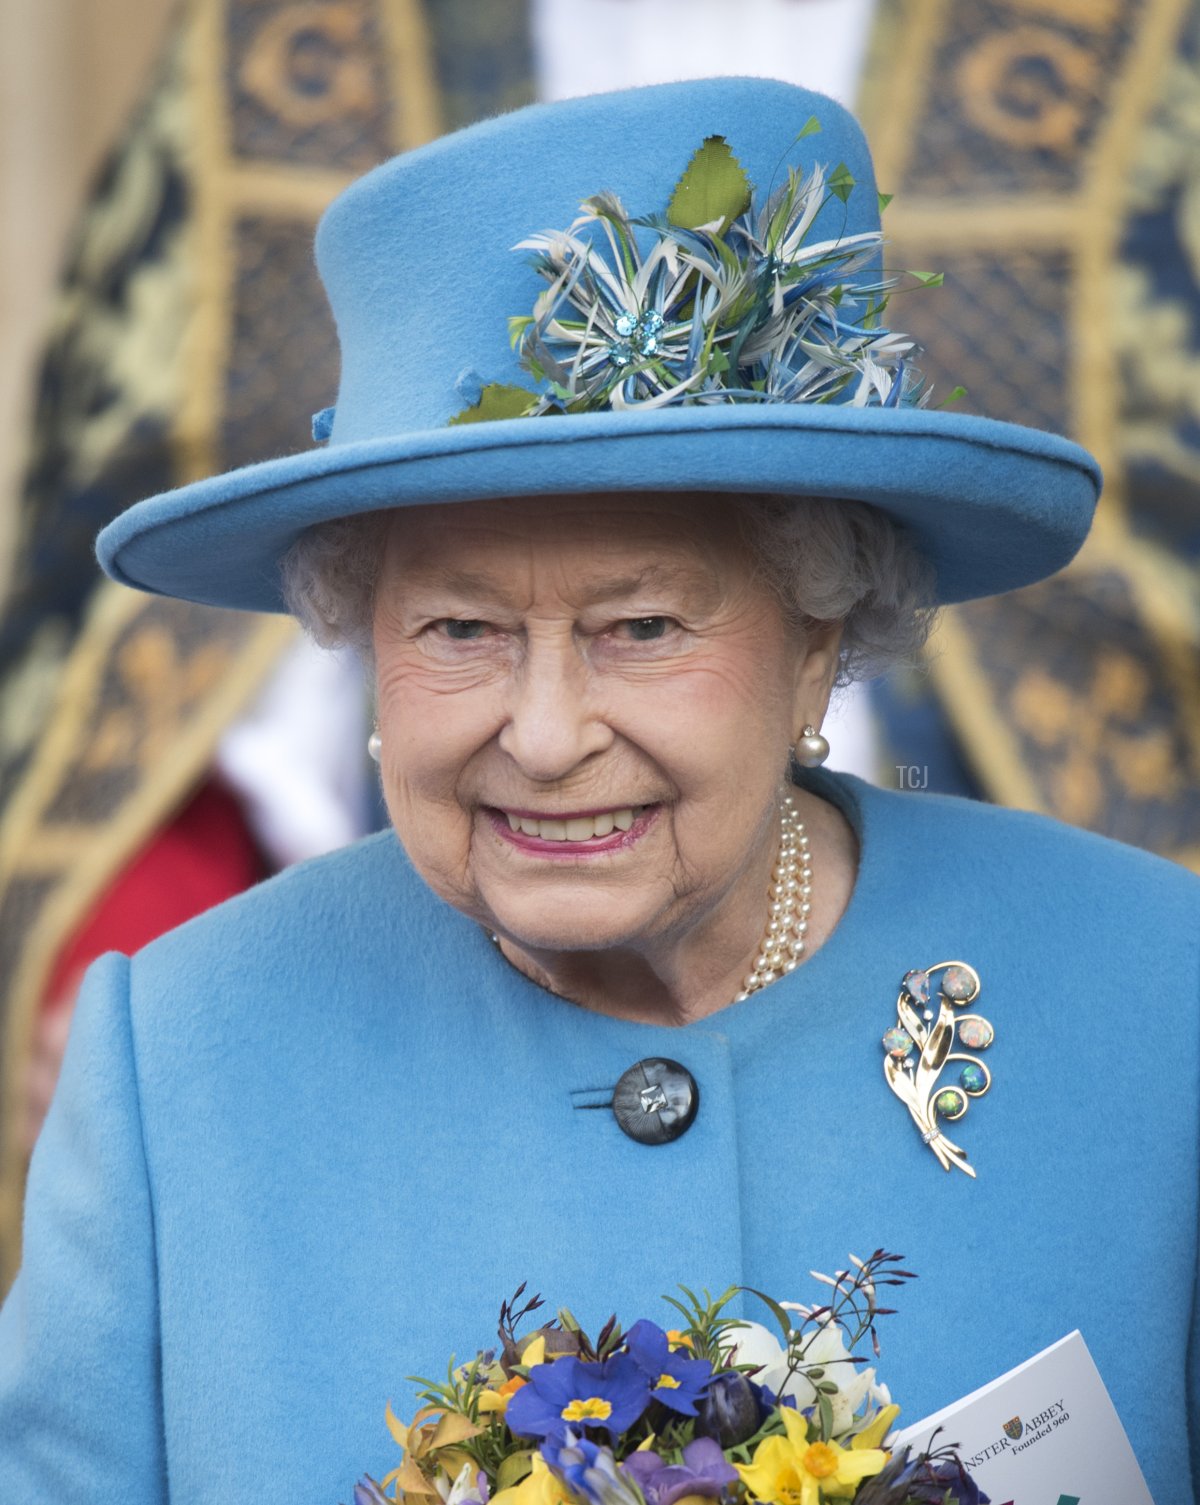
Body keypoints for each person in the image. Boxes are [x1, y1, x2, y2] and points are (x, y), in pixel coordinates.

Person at [0, 76, 1196, 1505]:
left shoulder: (1155, 996)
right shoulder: (177, 1060)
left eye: (640, 626)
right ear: (365, 640)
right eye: (461, 631)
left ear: (820, 635)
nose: (548, 733)